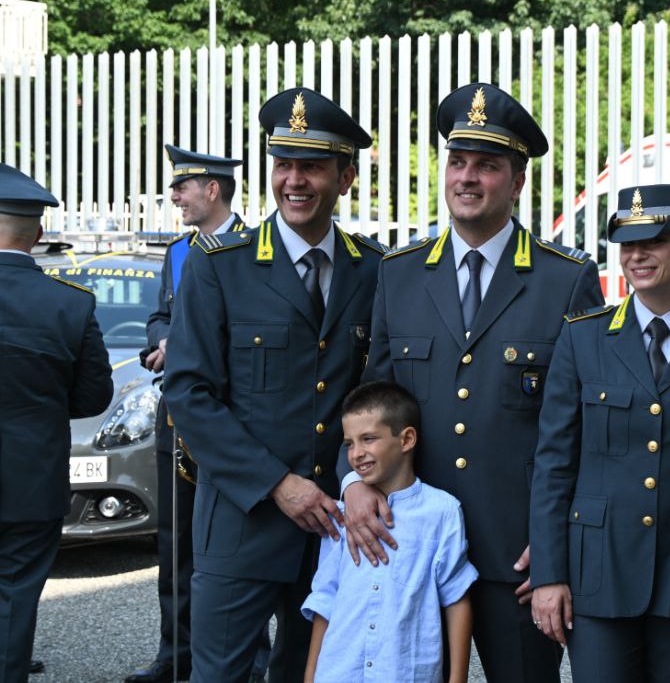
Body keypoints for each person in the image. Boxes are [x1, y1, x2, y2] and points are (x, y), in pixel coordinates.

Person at [342, 82, 604, 683]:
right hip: (413, 550)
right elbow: (371, 405)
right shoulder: (401, 275)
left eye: (487, 165)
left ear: (517, 182)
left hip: (518, 559)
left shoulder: (564, 280)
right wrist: (351, 481)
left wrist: (557, 541)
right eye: (458, 161)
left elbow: (588, 427)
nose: (467, 177)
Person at [164, 88, 384, 683]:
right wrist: (277, 484)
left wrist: (350, 478)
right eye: (283, 164)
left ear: (346, 177)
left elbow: (374, 396)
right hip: (242, 523)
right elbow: (187, 393)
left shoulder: (375, 269)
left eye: (312, 166)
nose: (294, 180)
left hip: (338, 529)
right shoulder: (219, 263)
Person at [529, 184, 670, 682]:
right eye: (627, 244)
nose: (637, 255)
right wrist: (550, 574)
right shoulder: (583, 337)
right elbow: (553, 464)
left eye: (653, 241)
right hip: (599, 576)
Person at [129, 145, 250, 683]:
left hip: (230, 422)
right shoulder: (178, 251)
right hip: (177, 422)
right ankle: (174, 654)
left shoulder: (254, 248)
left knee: (238, 548)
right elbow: (159, 318)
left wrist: (180, 344)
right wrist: (164, 338)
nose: (174, 196)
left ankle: (251, 661)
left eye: (182, 187)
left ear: (213, 190)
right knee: (174, 545)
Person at [0, 163, 113, 680]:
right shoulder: (70, 305)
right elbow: (94, 396)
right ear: (38, 234)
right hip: (32, 474)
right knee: (17, 589)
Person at [302, 381, 477, 683]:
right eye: (349, 444)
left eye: (368, 439)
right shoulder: (341, 516)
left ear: (407, 439)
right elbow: (325, 599)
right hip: (339, 672)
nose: (356, 454)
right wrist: (310, 676)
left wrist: (457, 678)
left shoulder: (442, 511)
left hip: (404, 673)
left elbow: (456, 597)